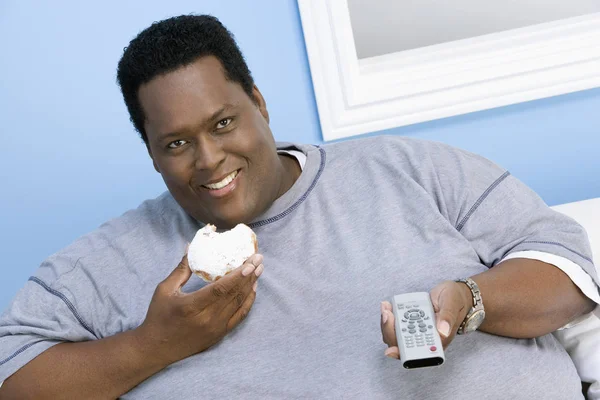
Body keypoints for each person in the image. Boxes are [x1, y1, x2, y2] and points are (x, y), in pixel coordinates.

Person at [0, 14, 598, 399]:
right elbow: (13, 375)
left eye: (224, 123)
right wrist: (154, 345)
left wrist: (468, 303)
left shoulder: (406, 169)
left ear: (259, 102)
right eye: (177, 144)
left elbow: (567, 267)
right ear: (152, 154)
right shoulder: (111, 260)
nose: (208, 160)